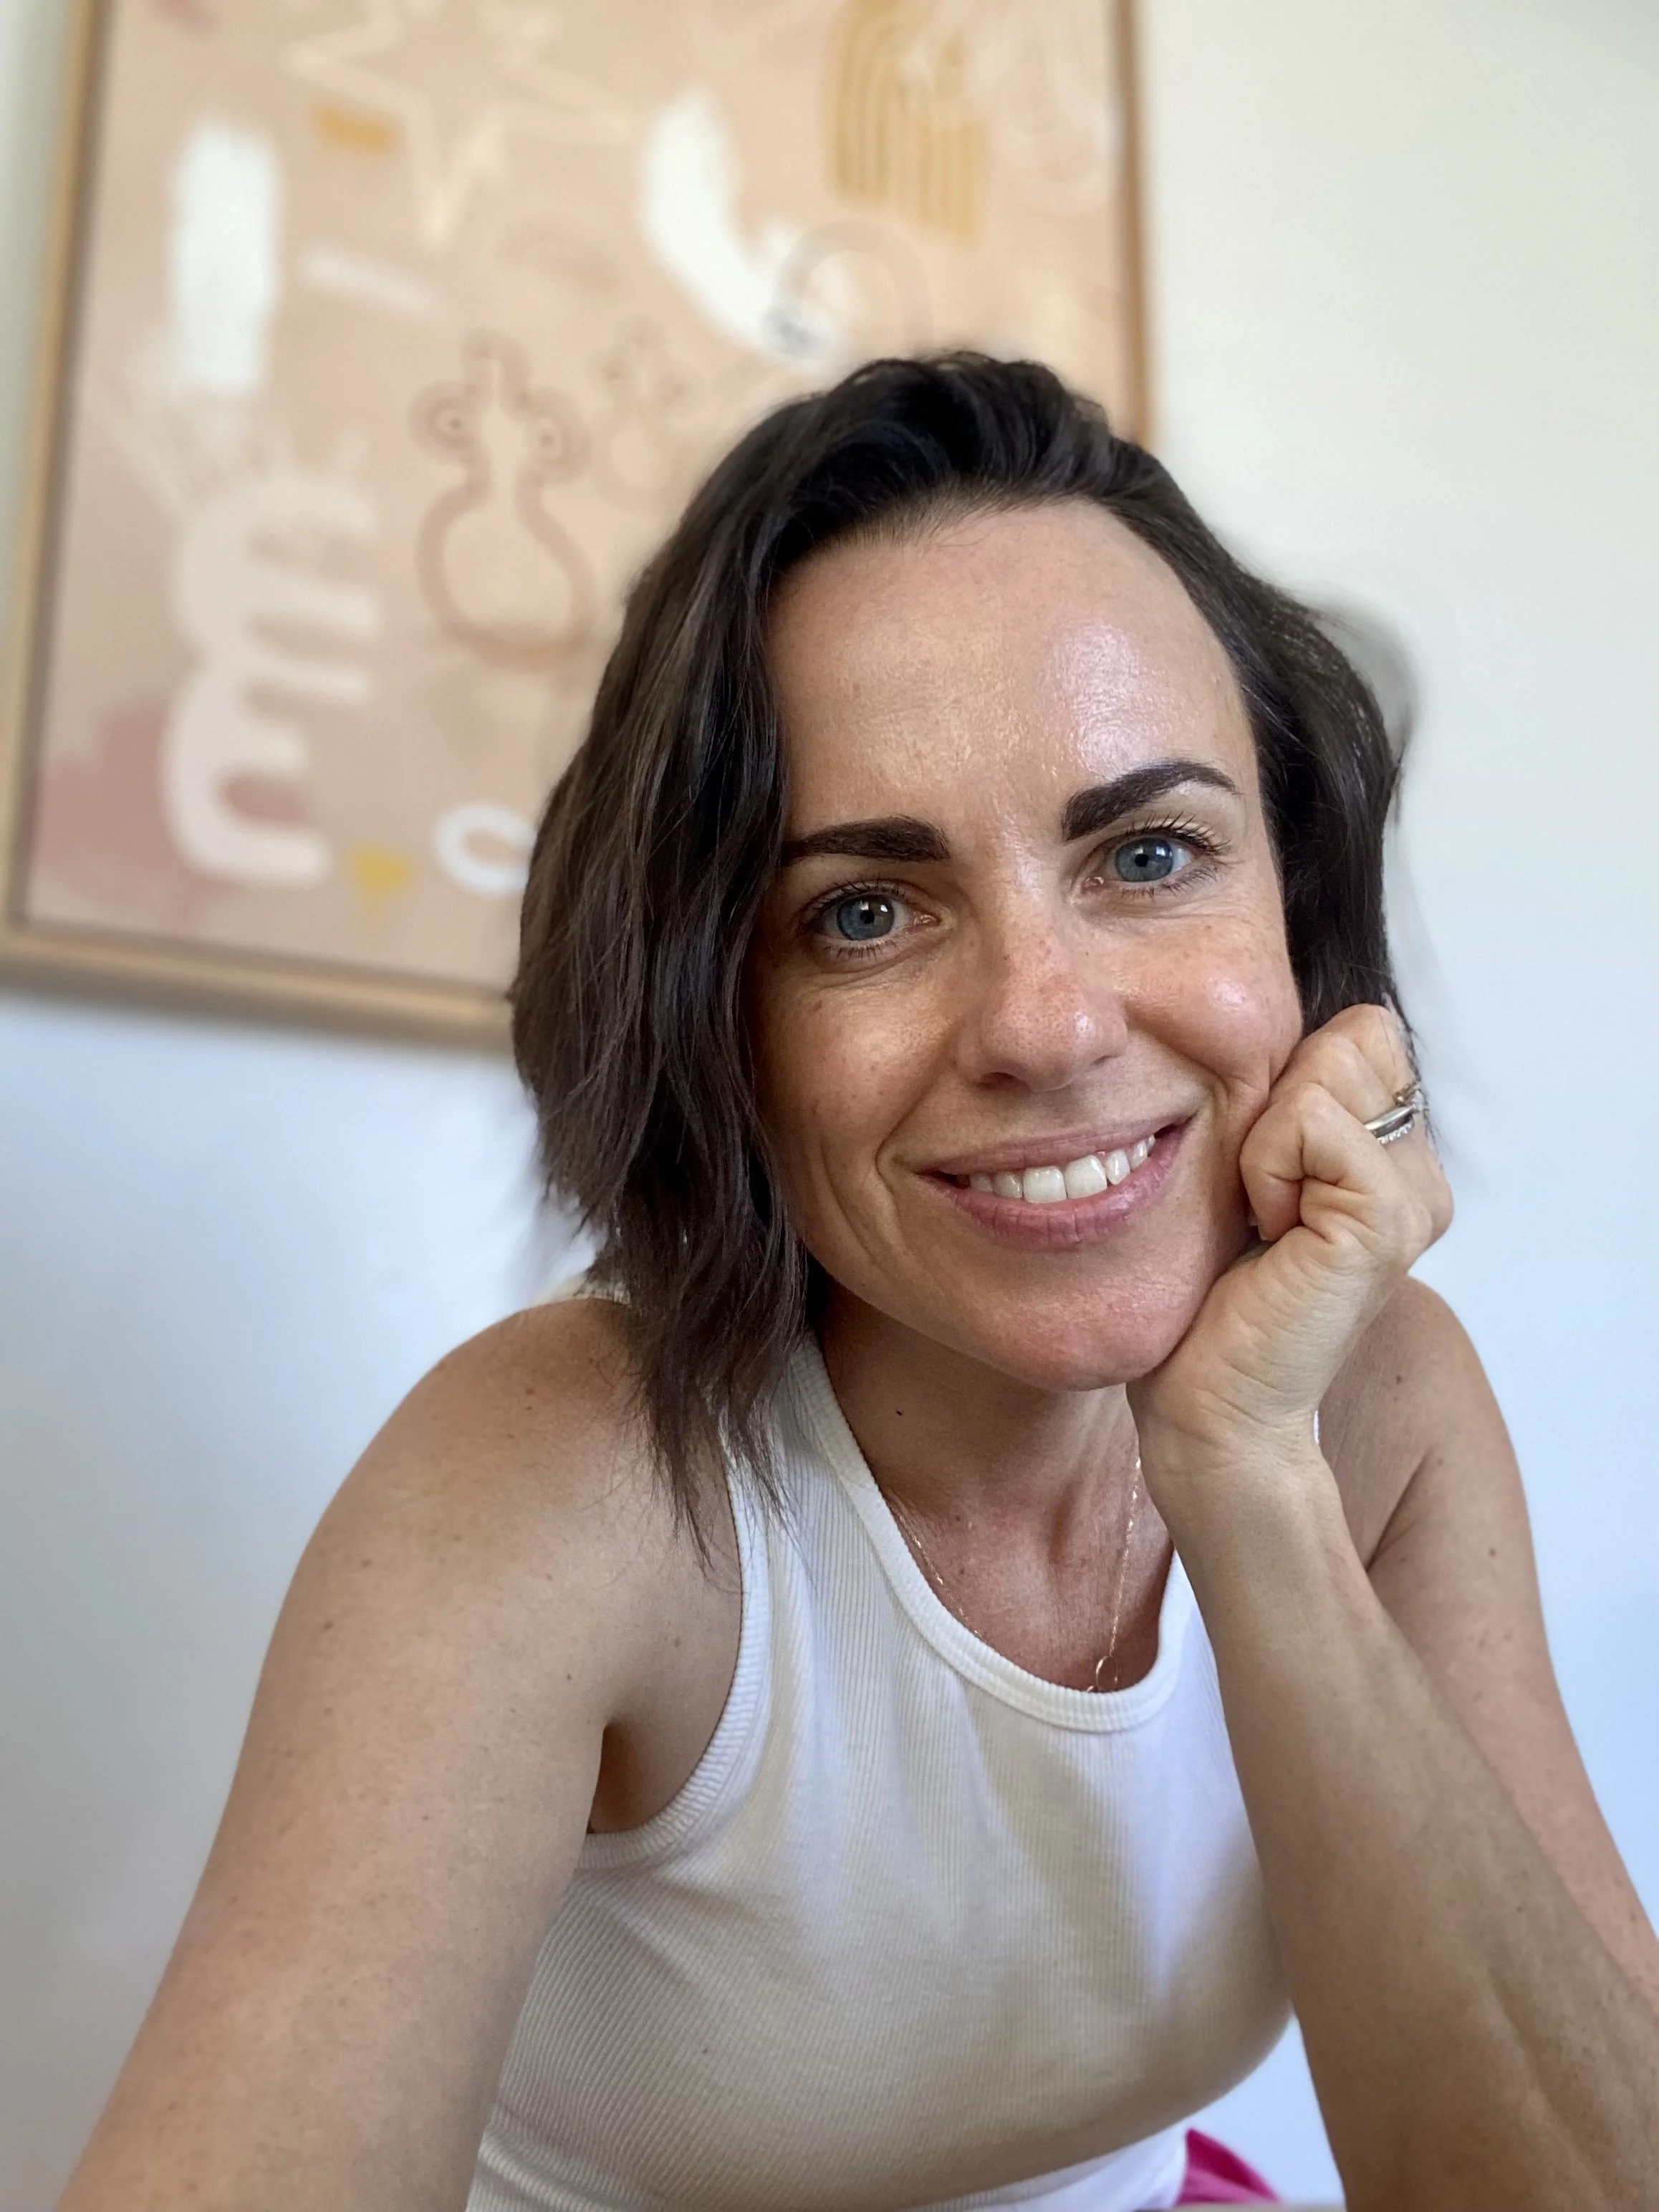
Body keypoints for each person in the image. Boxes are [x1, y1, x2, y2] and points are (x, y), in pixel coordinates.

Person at [60, 356, 1659, 2212]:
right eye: (865, 913)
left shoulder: (1375, 1406)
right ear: (714, 1022)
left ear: (1294, 911)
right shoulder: (561, 1483)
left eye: (1149, 853)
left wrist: (1251, 1483)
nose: (1048, 1025)